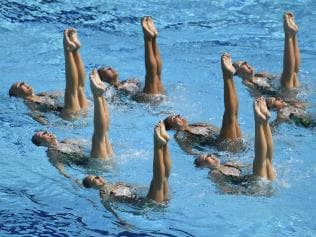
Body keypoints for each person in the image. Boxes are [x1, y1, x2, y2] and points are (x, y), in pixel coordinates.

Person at [31, 69, 114, 176]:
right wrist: (73, 181)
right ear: (41, 144)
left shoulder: (67, 141)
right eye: (42, 135)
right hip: (94, 165)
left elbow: (88, 146)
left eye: (44, 132)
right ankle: (98, 96)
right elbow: (60, 169)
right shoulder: (52, 152)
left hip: (100, 158)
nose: (46, 132)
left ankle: (100, 96)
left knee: (104, 133)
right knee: (99, 135)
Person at [163, 53, 243, 153]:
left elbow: (215, 129)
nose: (178, 115)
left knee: (234, 115)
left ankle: (229, 76)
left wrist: (226, 130)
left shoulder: (195, 125)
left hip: (226, 140)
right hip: (223, 147)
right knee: (229, 114)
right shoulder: (180, 135)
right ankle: (227, 76)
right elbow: (189, 152)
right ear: (173, 127)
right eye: (174, 118)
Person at [194, 97, 276, 194]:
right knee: (262, 160)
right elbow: (223, 189)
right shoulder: (214, 173)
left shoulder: (227, 164)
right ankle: (261, 122)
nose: (211, 155)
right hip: (254, 187)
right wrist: (241, 192)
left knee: (267, 160)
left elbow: (247, 167)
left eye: (208, 154)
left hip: (258, 183)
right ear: (204, 166)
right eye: (206, 158)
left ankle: (263, 121)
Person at [9, 28, 88, 123]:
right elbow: (42, 120)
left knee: (79, 88)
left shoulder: (42, 94)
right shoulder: (29, 103)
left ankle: (76, 50)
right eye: (19, 85)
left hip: (77, 110)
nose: (23, 82)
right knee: (71, 89)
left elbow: (59, 94)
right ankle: (68, 49)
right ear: (18, 95)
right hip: (68, 115)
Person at [82, 120, 171, 203]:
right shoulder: (103, 193)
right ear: (93, 187)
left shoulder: (114, 184)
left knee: (164, 179)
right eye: (94, 179)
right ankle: (158, 144)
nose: (98, 177)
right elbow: (110, 209)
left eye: (97, 176)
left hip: (154, 201)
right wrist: (121, 220)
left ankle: (164, 143)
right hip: (147, 204)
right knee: (158, 181)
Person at [97, 16, 164, 100]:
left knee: (157, 75)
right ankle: (148, 38)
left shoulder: (124, 82)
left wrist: (131, 82)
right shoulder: (112, 91)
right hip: (149, 99)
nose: (110, 68)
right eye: (105, 70)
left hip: (154, 96)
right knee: (152, 75)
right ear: (104, 79)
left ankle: (153, 38)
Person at [233, 12, 300, 95]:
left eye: (245, 62)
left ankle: (293, 35)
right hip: (283, 96)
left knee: (293, 73)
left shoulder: (259, 75)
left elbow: (274, 80)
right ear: (238, 73)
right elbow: (260, 96)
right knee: (289, 74)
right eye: (242, 64)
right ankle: (289, 34)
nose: (246, 62)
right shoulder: (247, 83)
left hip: (285, 90)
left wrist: (270, 77)